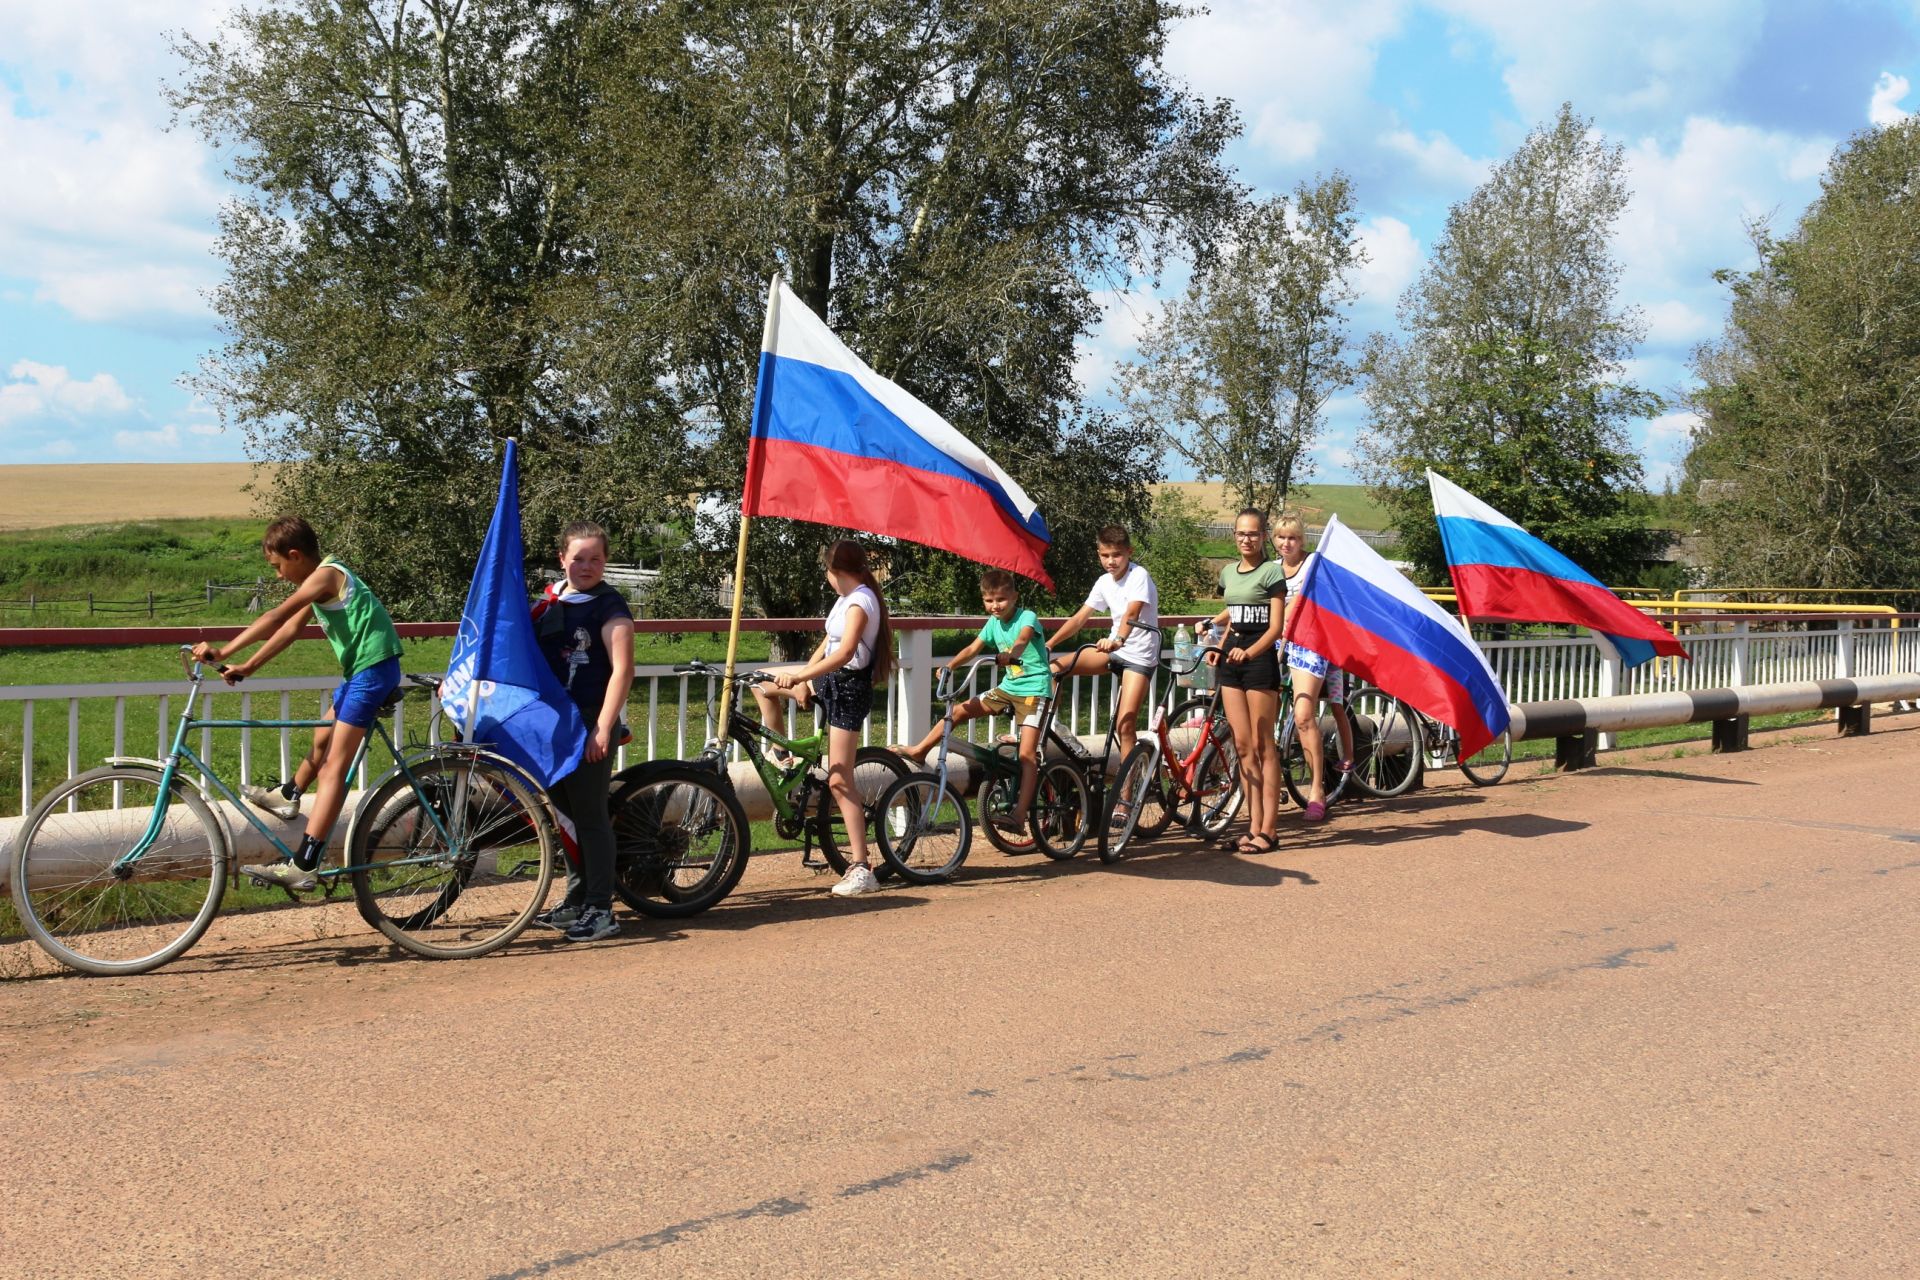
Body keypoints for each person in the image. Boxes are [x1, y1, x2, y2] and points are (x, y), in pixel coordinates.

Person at [189, 516, 403, 890]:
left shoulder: (326, 575)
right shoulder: (317, 581)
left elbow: (276, 616)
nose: (277, 576)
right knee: (322, 738)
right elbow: (289, 630)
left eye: (277, 567)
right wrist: (249, 666)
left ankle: (306, 863)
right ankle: (289, 796)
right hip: (362, 673)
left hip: (372, 672)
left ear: (294, 555)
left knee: (334, 766)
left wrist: (222, 649)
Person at [768, 540, 894, 897]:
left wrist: (803, 678)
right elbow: (827, 642)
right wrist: (805, 676)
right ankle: (781, 756)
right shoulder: (846, 598)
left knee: (840, 780)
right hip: (830, 681)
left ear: (835, 571)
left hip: (849, 688)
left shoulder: (861, 600)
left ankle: (861, 867)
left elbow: (847, 652)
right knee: (763, 685)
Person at [530, 522, 635, 943]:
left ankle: (600, 907)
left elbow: (622, 670)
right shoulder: (548, 603)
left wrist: (603, 728)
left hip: (590, 719)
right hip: (551, 722)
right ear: (562, 560)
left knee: (590, 816)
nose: (586, 565)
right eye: (578, 558)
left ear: (605, 561)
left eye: (595, 558)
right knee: (566, 815)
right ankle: (576, 898)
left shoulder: (610, 605)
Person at [896, 568, 1050, 833]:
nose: (995, 606)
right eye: (989, 601)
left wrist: (1010, 654)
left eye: (1001, 599)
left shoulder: (1027, 616)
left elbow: (1023, 639)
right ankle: (920, 750)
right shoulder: (992, 624)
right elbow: (972, 649)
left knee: (1026, 755)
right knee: (957, 711)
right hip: (1008, 688)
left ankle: (1020, 814)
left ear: (1015, 596)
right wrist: (951, 666)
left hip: (1034, 690)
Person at [1203, 509, 1287, 853]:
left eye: (1252, 534)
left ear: (1263, 536)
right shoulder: (1228, 573)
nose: (1246, 539)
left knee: (1265, 746)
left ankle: (1269, 830)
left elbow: (1275, 628)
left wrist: (1250, 653)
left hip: (1259, 662)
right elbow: (1232, 621)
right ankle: (1251, 827)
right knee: (1242, 747)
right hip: (1231, 661)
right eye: (1240, 533)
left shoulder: (1272, 572)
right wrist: (1217, 648)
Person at [1045, 524, 1160, 765]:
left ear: (1129, 552)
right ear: (1098, 554)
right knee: (1054, 669)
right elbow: (1079, 618)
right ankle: (1052, 726)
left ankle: (1126, 797)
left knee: (1125, 725)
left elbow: (1133, 612)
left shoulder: (1139, 575)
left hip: (1138, 655)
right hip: (1114, 650)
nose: (1111, 561)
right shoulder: (1103, 582)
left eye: (1116, 555)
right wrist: (1049, 644)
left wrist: (1118, 639)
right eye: (1105, 555)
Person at [1274, 512, 1356, 822]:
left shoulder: (1313, 564)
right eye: (1281, 537)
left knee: (1313, 712)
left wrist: (1285, 616)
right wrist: (1215, 621)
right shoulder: (1272, 569)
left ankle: (1318, 788)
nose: (1287, 543)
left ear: (1302, 540)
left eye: (1292, 537)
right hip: (1280, 639)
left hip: (1313, 643)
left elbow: (1306, 598)